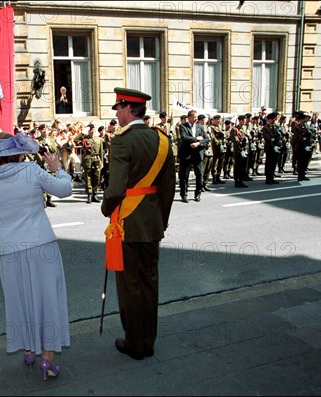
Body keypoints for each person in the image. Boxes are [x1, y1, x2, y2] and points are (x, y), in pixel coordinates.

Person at [0, 132, 72, 381]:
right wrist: (58, 169)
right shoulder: (31, 171)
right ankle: (47, 360)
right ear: (17, 152)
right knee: (48, 298)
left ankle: (29, 351)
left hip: (9, 248)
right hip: (41, 244)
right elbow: (64, 190)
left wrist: (9, 231)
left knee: (19, 300)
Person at [101, 87, 175, 361]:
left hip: (127, 225)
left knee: (129, 285)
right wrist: (161, 221)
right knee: (149, 283)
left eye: (118, 107)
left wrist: (106, 208)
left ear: (130, 108)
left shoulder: (122, 141)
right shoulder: (162, 140)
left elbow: (116, 189)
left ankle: (135, 343)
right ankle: (148, 341)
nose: (117, 113)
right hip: (152, 224)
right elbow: (168, 187)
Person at [178, 110, 210, 202]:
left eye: (196, 117)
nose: (196, 118)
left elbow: (207, 139)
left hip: (197, 154)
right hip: (186, 154)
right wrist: (196, 138)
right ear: (189, 117)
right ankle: (184, 194)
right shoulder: (183, 126)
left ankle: (198, 193)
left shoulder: (200, 127)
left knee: (199, 174)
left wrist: (198, 143)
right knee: (184, 176)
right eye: (194, 117)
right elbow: (184, 138)